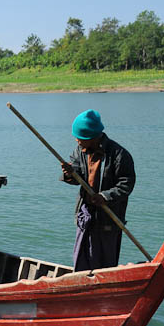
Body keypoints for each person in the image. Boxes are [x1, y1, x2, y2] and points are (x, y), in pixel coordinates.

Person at [60, 109, 135, 271]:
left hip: (109, 215)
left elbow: (126, 184)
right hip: (86, 214)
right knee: (82, 258)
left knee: (105, 260)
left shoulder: (118, 155)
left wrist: (105, 196)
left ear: (93, 137)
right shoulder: (79, 151)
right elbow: (76, 178)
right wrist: (69, 173)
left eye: (80, 138)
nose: (77, 141)